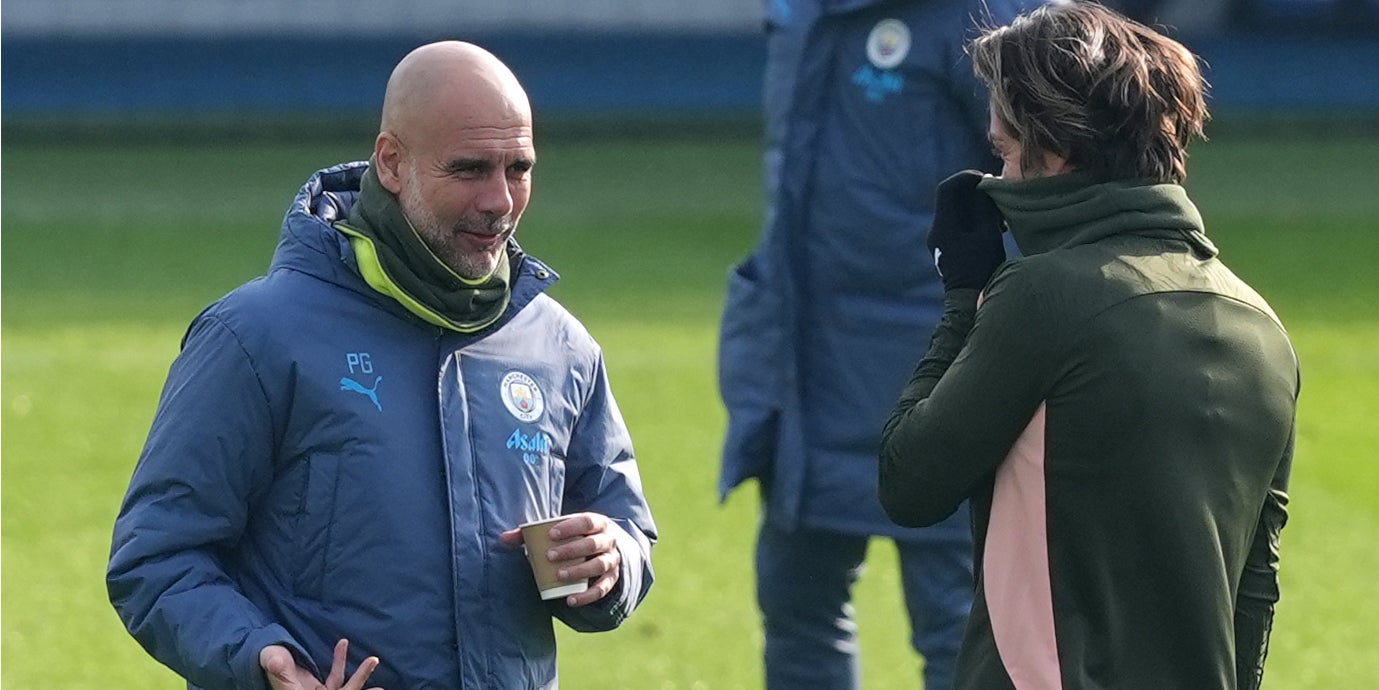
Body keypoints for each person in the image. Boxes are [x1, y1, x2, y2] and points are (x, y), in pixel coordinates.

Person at [107, 41, 657, 690]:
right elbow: (158, 558)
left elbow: (625, 527)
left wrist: (610, 559)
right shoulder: (255, 336)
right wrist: (259, 656)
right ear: (392, 163)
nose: (501, 200)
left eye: (519, 168)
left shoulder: (557, 348)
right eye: (471, 169)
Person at [878, 4, 1298, 689]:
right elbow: (1255, 586)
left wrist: (962, 296)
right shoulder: (1258, 322)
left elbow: (908, 481)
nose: (1000, 180)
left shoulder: (1045, 296)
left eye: (1006, 154)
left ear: (1059, 149)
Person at [716, 0, 1039, 687]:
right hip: (801, 364)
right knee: (796, 604)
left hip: (937, 367)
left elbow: (1040, 182)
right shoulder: (800, 14)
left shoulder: (983, 17)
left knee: (957, 624)